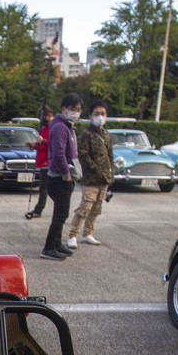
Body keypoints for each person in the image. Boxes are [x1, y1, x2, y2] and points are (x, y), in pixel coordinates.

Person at [66, 100, 114, 249]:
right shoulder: (86, 134)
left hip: (104, 179)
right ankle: (73, 235)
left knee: (97, 208)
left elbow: (110, 155)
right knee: (85, 207)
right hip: (91, 179)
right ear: (91, 116)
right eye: (97, 114)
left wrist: (110, 172)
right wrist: (95, 169)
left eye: (103, 114)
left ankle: (88, 233)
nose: (100, 116)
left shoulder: (107, 135)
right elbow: (83, 155)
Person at [41, 93, 82, 260]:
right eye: (73, 109)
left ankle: (57, 244)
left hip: (64, 176)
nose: (76, 112)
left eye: (78, 110)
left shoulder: (67, 126)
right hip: (60, 178)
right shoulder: (60, 127)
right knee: (60, 214)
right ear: (64, 109)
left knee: (61, 213)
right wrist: (66, 174)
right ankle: (49, 247)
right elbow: (58, 154)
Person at [24, 105, 54, 220]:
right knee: (44, 189)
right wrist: (35, 145)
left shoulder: (53, 128)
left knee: (46, 189)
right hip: (43, 162)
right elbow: (43, 145)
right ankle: (39, 209)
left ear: (50, 115)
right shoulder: (43, 129)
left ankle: (39, 210)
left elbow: (53, 144)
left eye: (46, 116)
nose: (43, 119)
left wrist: (42, 142)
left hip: (49, 163)